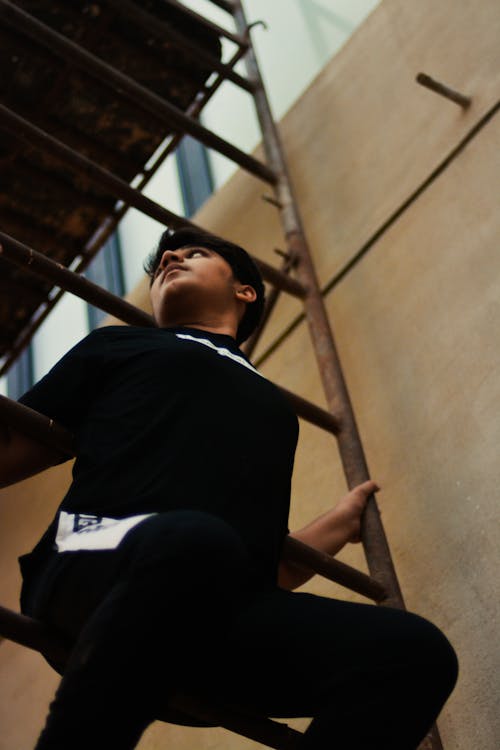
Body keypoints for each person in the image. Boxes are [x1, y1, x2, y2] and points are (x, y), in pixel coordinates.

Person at [0, 228, 458, 749]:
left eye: (195, 253)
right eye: (162, 262)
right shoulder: (119, 344)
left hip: (214, 614)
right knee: (196, 542)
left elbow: (262, 564)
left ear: (246, 291)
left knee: (416, 651)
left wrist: (340, 521)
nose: (170, 256)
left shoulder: (274, 410)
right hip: (95, 570)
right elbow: (11, 444)